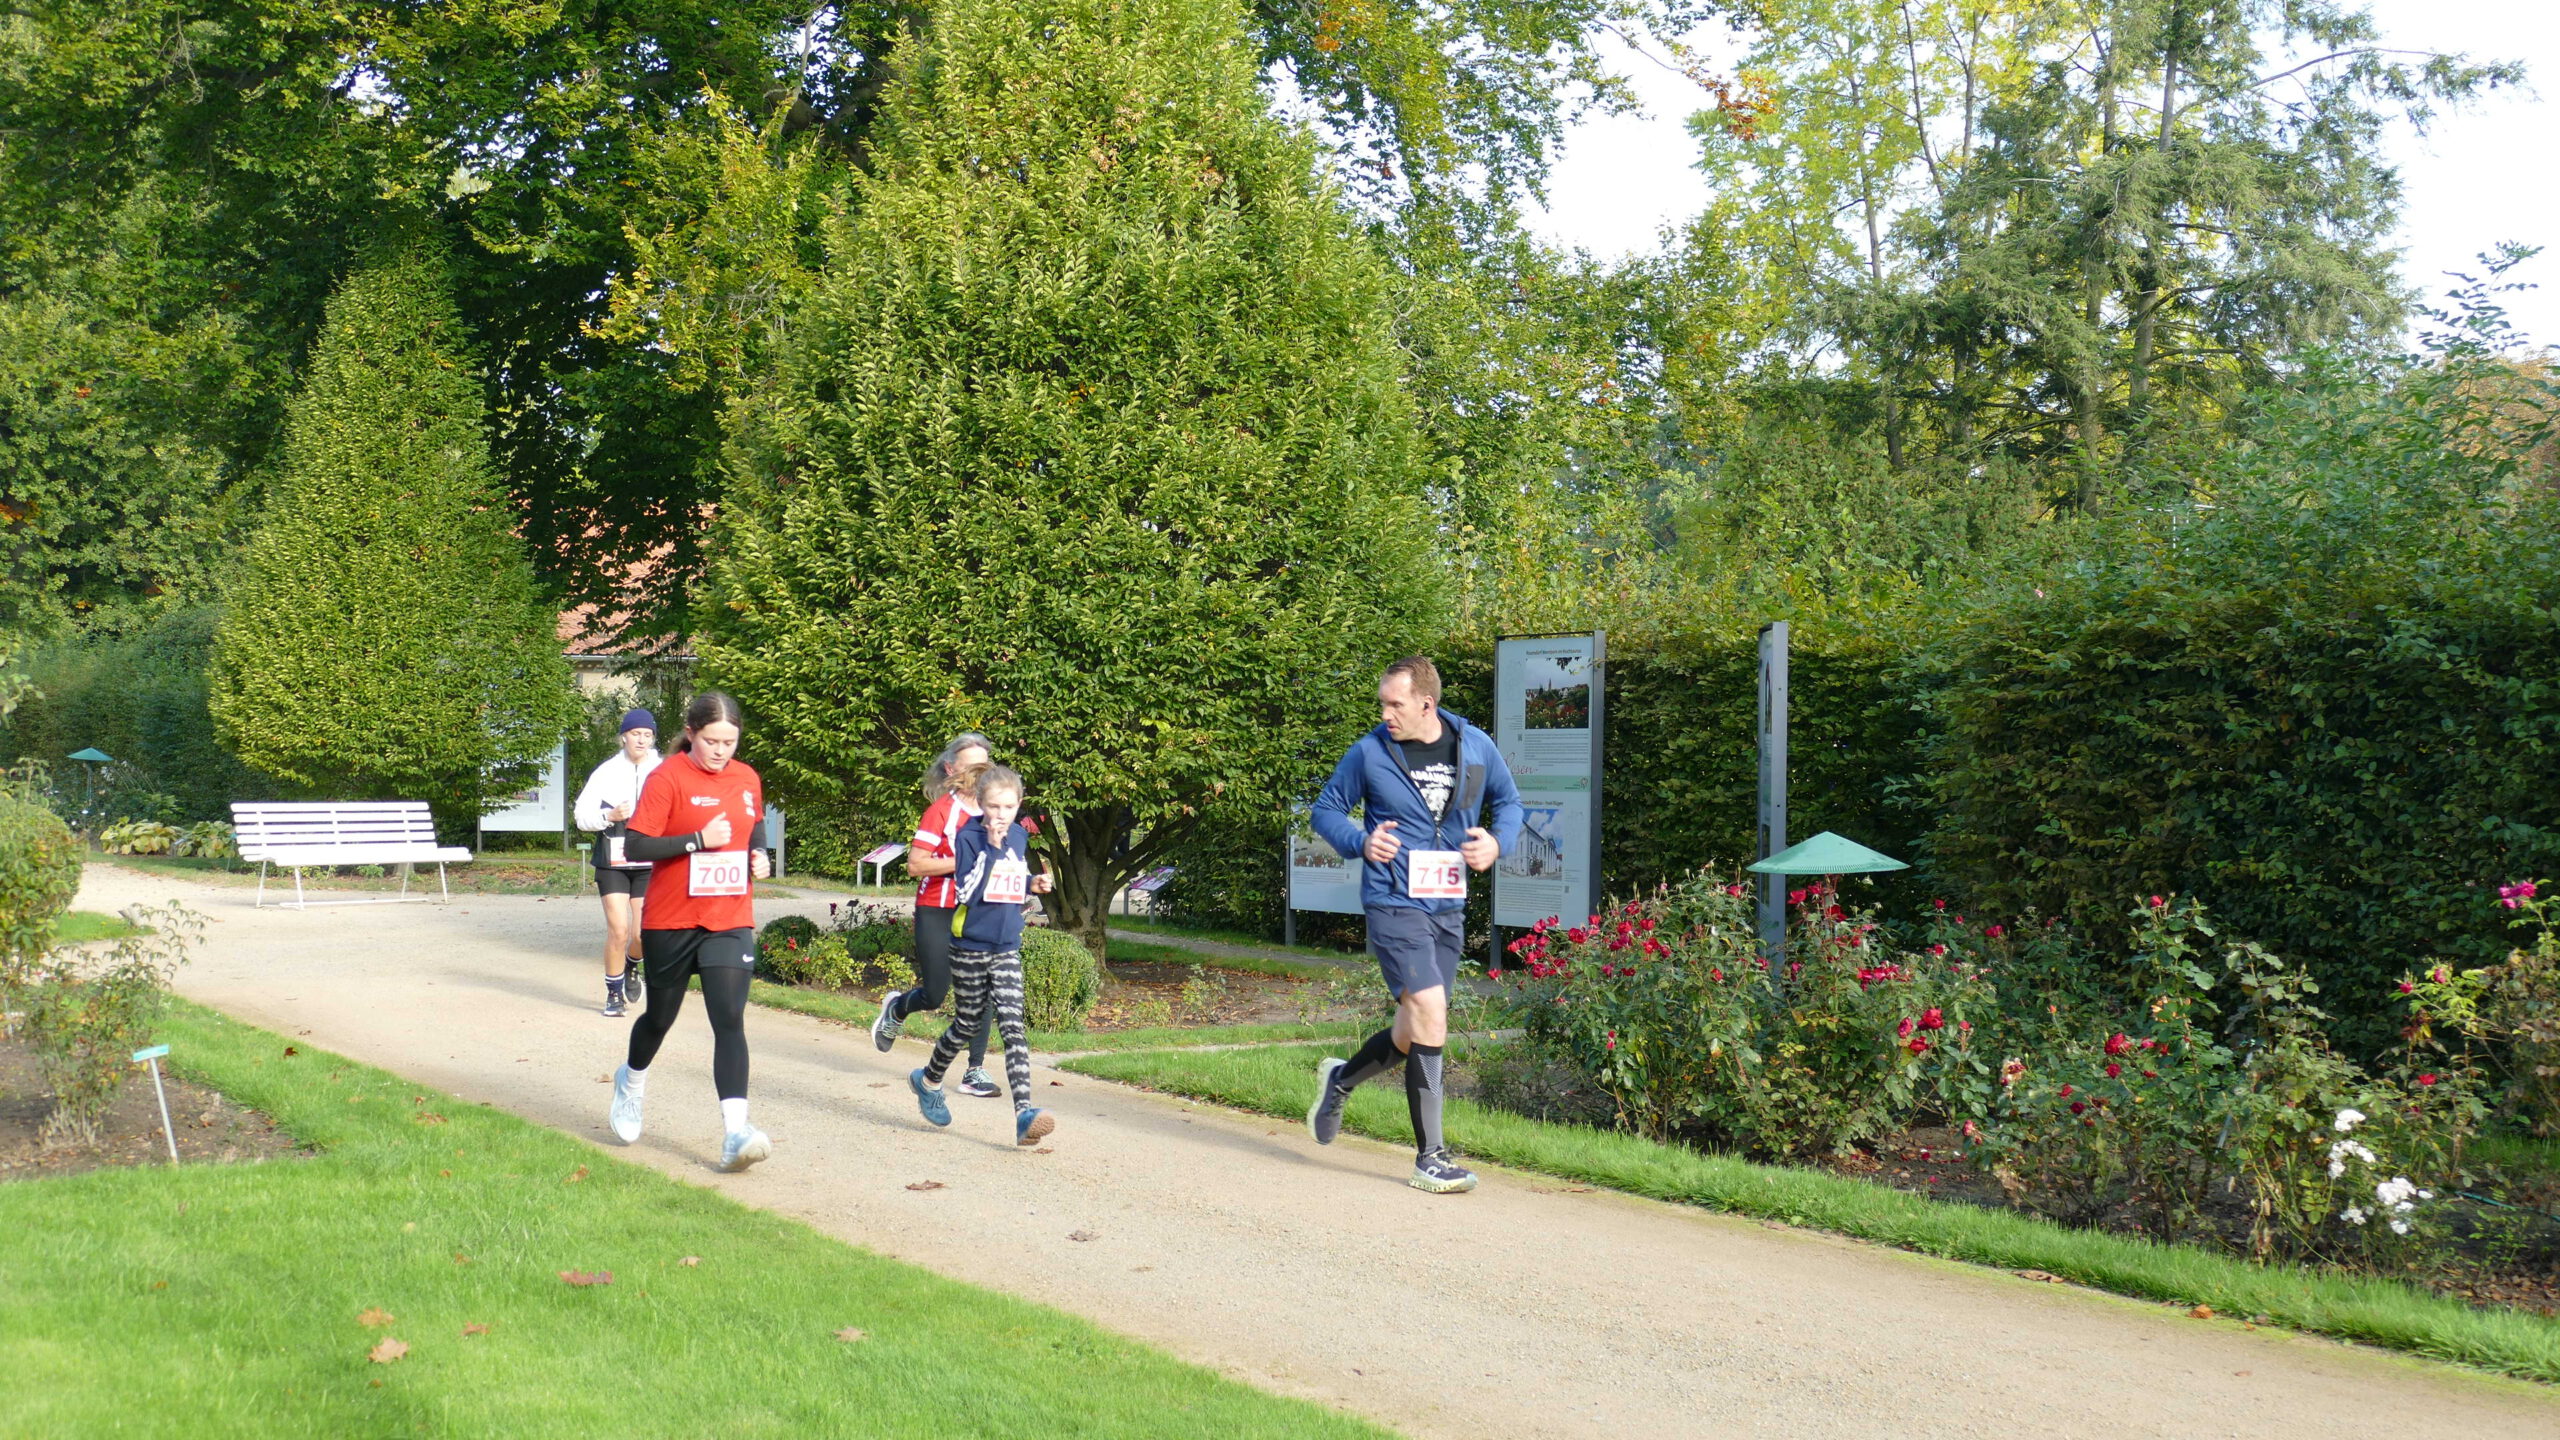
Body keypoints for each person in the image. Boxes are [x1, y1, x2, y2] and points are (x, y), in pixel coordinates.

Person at [1306, 655, 1521, 1194]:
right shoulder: (1370, 752)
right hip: (1393, 901)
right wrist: (1360, 841)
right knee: (1431, 1010)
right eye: (1383, 703)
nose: (1385, 714)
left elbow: (1510, 803)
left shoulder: (1474, 746)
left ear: (1427, 703)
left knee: (1413, 1029)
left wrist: (1498, 843)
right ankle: (1432, 1158)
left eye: (1394, 704)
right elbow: (1326, 809)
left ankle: (1341, 1079)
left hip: (1447, 904)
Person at [606, 692, 776, 1172]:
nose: (721, 751)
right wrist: (697, 841)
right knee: (660, 1017)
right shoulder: (668, 778)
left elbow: (754, 826)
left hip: (729, 918)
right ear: (690, 733)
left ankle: (735, 1132)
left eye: (729, 742)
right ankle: (631, 1081)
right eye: (711, 741)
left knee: (729, 1018)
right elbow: (636, 844)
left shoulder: (747, 778)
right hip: (672, 919)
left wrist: (759, 855)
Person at [906, 764, 1057, 1146]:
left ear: (1019, 804)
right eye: (993, 807)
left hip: (1006, 944)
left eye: (1008, 807)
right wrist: (990, 847)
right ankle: (928, 1080)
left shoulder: (1018, 836)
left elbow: (1012, 879)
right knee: (967, 1022)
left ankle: (1024, 1114)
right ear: (981, 804)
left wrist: (1032, 883)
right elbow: (968, 891)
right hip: (970, 944)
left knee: (1013, 1025)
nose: (1001, 815)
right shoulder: (969, 836)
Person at [870, 733, 1002, 1098]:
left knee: (982, 988)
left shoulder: (996, 811)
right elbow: (916, 865)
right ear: (951, 770)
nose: (981, 772)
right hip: (938, 907)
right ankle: (897, 1008)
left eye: (986, 765)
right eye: (972, 766)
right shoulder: (941, 811)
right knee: (935, 993)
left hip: (978, 910)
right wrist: (965, 861)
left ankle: (974, 1071)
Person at [573, 708, 661, 1017]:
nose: (642, 740)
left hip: (648, 860)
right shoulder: (606, 771)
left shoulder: (662, 769)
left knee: (642, 934)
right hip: (613, 860)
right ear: (624, 737)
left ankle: (632, 964)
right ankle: (613, 994)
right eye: (636, 734)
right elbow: (581, 816)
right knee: (619, 930)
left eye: (647, 735)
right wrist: (608, 816)